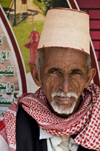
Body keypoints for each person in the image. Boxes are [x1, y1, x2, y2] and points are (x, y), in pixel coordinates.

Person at [0, 8, 100, 151]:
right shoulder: (13, 128)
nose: (65, 88)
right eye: (54, 72)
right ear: (37, 76)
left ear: (88, 78)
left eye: (75, 73)